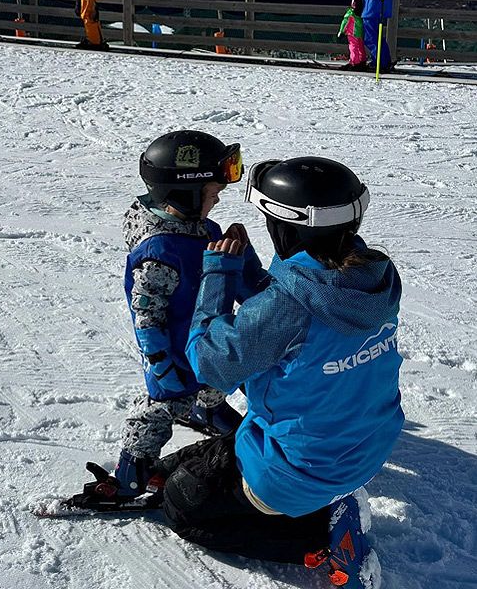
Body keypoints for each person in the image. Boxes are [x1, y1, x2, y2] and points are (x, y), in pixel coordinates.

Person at [155, 156, 404, 589]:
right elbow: (295, 312)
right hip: (364, 446)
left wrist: (217, 275)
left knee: (180, 504)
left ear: (286, 225)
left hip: (299, 471)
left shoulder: (287, 306)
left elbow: (209, 362)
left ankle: (320, 541)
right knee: (195, 464)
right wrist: (250, 266)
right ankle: (327, 503)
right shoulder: (375, 276)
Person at [66, 130, 269, 508]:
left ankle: (210, 410)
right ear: (185, 194)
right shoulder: (159, 253)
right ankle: (129, 476)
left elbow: (241, 285)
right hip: (175, 354)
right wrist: (160, 362)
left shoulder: (202, 230)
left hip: (207, 340)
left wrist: (244, 257)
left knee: (215, 379)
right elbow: (147, 316)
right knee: (157, 413)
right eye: (212, 193)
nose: (218, 198)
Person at [337, 0, 367, 70]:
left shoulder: (350, 13)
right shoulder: (361, 14)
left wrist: (341, 31)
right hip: (359, 33)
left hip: (352, 33)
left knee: (353, 47)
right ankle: (362, 60)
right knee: (360, 46)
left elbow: (345, 22)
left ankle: (354, 62)